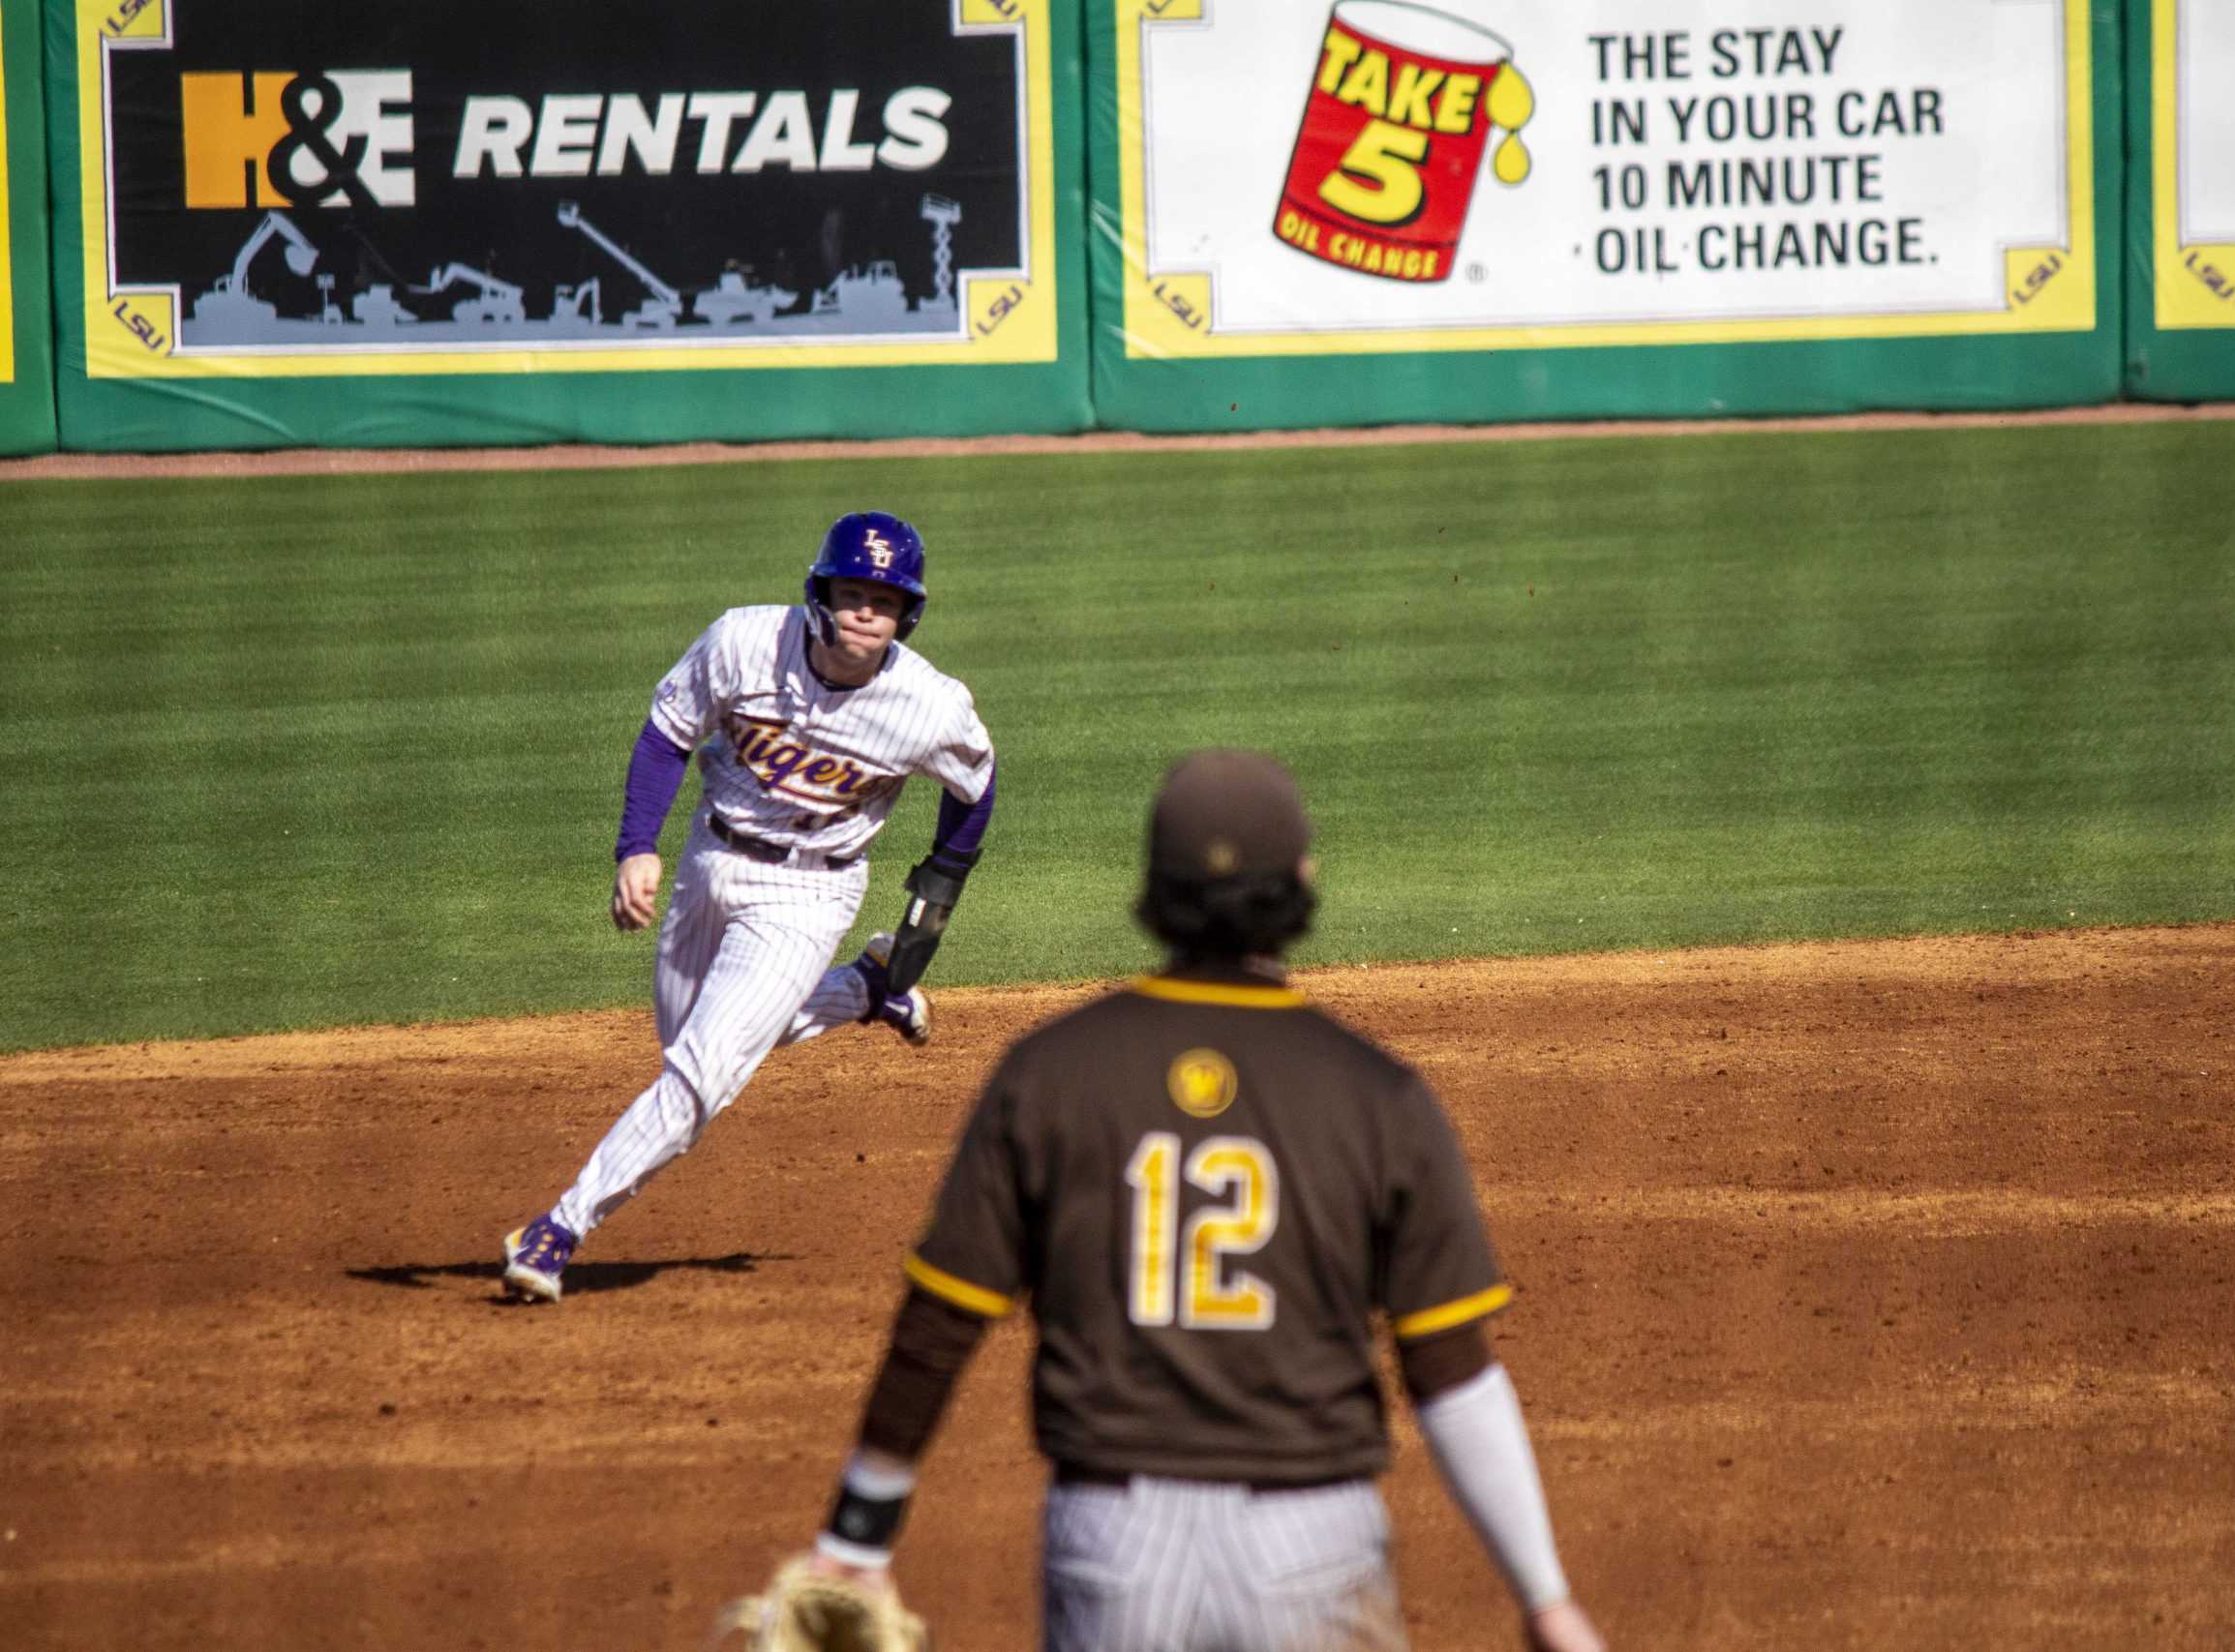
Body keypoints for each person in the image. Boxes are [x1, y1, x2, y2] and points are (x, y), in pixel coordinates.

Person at [800, 750, 1602, 1651]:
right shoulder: (1375, 1093)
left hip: (1112, 1538)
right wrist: (1544, 1596)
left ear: (1154, 887)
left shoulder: (1054, 1073)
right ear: (1301, 881)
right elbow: (1450, 1365)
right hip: (1315, 1536)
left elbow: (942, 1317)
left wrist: (854, 1536)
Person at [502, 511, 995, 1305]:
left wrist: (941, 878)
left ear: (909, 611)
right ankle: (866, 989)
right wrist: (637, 845)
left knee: (701, 1077)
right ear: (820, 592)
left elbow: (977, 785)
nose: (868, 609)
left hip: (810, 890)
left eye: (887, 597)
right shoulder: (742, 642)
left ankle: (558, 1228)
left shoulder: (928, 705)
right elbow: (667, 734)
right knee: (689, 1038)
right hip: (710, 859)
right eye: (853, 590)